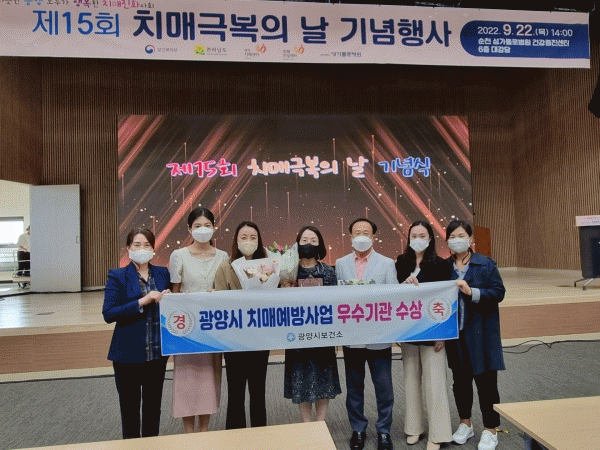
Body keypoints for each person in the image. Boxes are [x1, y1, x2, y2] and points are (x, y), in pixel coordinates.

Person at [335, 218, 398, 450]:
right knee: (354, 386)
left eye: (366, 232)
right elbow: (337, 297)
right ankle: (358, 429)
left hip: (378, 335)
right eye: (357, 232)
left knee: (384, 386)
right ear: (350, 237)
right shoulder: (341, 263)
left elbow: (393, 297)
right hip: (352, 335)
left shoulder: (387, 263)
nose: (361, 236)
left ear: (373, 237)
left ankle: (384, 430)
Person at [102, 228, 171, 439]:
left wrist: (170, 299)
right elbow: (109, 313)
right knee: (130, 411)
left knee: (153, 409)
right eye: (137, 245)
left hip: (156, 354)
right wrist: (142, 301)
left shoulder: (162, 273)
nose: (142, 249)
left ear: (153, 249)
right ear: (128, 248)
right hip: (127, 355)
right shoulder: (117, 275)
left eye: (147, 245)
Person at [444, 220, 506, 450]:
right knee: (460, 382)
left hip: (481, 335)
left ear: (470, 239)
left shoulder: (485, 263)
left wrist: (473, 292)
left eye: (461, 235)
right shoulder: (444, 267)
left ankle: (491, 429)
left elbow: (498, 292)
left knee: (486, 383)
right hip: (455, 335)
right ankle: (465, 424)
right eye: (452, 236)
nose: (457, 240)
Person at [169, 207, 229, 433]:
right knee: (187, 379)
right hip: (186, 328)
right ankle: (189, 433)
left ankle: (204, 429)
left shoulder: (223, 256)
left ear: (214, 227)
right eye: (197, 226)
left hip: (212, 327)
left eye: (207, 225)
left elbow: (226, 291)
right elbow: (174, 292)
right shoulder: (179, 255)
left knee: (209, 379)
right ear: (189, 229)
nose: (202, 229)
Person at [395, 221, 453, 450]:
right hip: (409, 330)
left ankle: (438, 434)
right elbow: (394, 295)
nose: (417, 239)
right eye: (414, 235)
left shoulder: (441, 264)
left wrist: (443, 333)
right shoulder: (401, 262)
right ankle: (414, 428)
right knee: (410, 380)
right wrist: (404, 284)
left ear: (430, 239)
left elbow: (446, 299)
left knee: (435, 383)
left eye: (422, 235)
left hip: (433, 330)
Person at [214, 221, 270, 429]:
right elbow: (219, 301)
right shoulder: (225, 266)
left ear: (259, 241)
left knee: (258, 391)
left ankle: (259, 435)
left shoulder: (268, 266)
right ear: (236, 241)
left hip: (260, 337)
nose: (248, 241)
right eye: (243, 237)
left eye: (253, 238)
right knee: (235, 392)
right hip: (234, 338)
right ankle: (235, 438)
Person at [283, 225, 342, 422]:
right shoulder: (289, 272)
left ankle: (321, 422)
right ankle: (307, 424)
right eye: (304, 240)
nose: (309, 244)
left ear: (320, 245)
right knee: (301, 380)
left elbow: (335, 303)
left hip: (322, 335)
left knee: (324, 380)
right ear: (297, 244)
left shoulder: (328, 271)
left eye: (313, 241)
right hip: (297, 335)